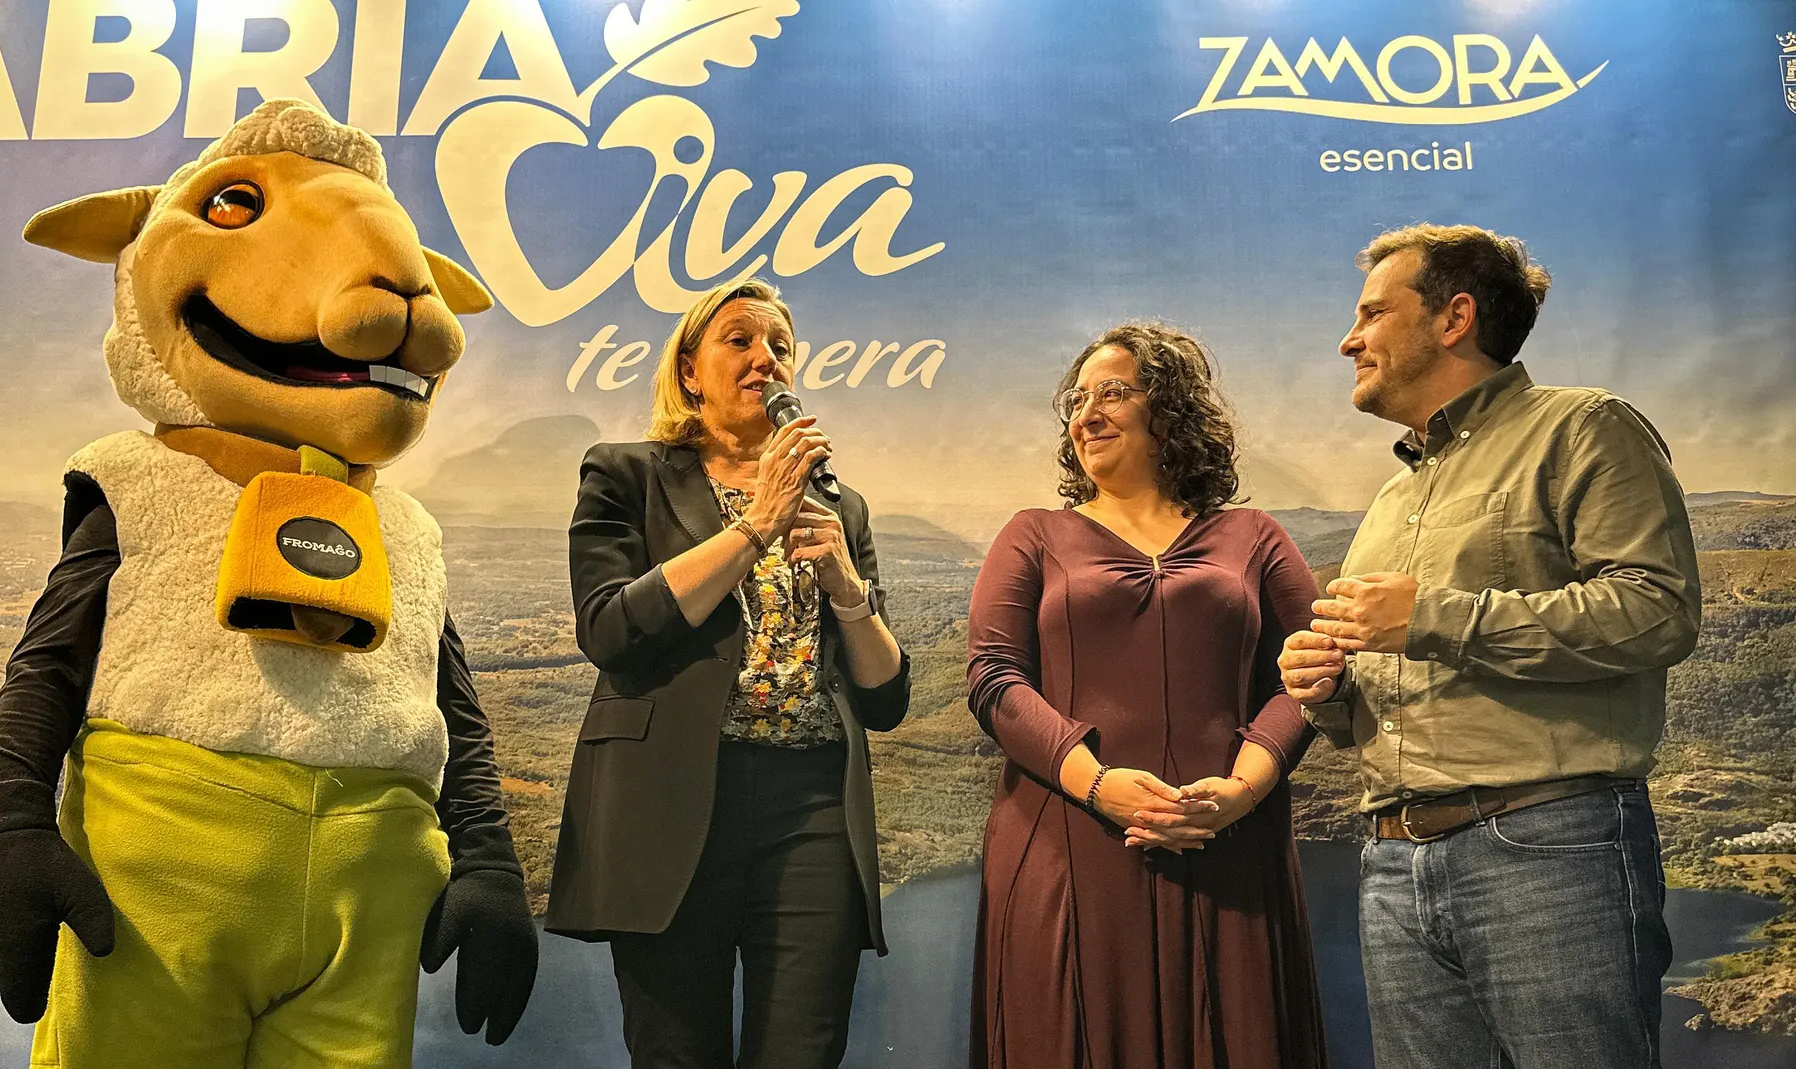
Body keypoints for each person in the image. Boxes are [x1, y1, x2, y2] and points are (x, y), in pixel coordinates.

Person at [1279, 224, 1700, 1069]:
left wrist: (1431, 618)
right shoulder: (1391, 500)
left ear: (1454, 317)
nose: (1348, 340)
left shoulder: (1583, 428)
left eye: (1372, 313)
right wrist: (1328, 689)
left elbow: (1656, 611)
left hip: (1548, 851)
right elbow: (1370, 707)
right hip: (1393, 863)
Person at [545, 277, 911, 1069]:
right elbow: (610, 628)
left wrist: (850, 593)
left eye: (780, 346)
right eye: (739, 340)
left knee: (803, 1050)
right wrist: (756, 525)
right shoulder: (625, 473)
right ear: (688, 371)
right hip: (670, 799)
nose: (764, 359)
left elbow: (886, 697)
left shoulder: (840, 504)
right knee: (677, 1052)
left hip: (810, 805)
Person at [967, 321, 1329, 1069]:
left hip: (1229, 844)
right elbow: (995, 678)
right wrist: (1099, 786)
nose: (1086, 414)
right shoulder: (1032, 535)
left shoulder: (1255, 536)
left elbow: (1311, 673)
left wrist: (1241, 790)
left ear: (1170, 408)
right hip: (1069, 846)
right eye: (1077, 400)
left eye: (1111, 393)